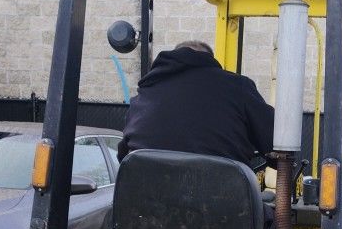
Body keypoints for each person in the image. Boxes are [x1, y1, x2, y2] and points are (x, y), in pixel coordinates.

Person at [117, 41, 275, 167]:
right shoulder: (238, 87)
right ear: (210, 60)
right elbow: (275, 142)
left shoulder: (143, 96)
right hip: (222, 201)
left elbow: (124, 156)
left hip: (147, 201)